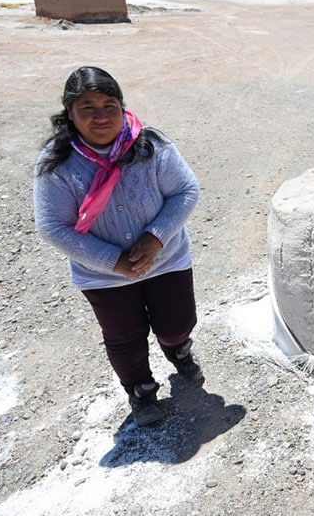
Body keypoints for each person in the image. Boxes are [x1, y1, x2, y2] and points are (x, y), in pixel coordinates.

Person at [33, 66, 202, 426]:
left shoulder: (150, 147)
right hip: (103, 276)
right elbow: (52, 225)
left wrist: (156, 237)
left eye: (109, 105)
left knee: (178, 322)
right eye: (87, 106)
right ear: (69, 111)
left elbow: (186, 191)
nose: (100, 116)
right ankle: (140, 390)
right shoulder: (58, 163)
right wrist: (114, 261)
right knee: (124, 339)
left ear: (123, 107)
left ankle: (177, 348)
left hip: (165, 260)